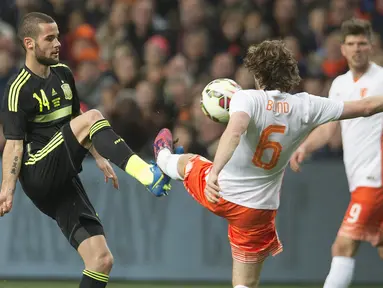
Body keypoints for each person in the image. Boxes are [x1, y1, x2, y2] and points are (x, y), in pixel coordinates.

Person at [153, 39, 383, 288]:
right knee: (245, 284)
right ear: (289, 73)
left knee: (190, 162)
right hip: (259, 210)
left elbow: (234, 131)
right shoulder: (307, 105)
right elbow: (367, 106)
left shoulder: (246, 99)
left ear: (258, 74)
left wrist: (215, 172)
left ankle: (162, 159)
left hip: (223, 192)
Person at [0, 12, 170, 288]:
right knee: (92, 116)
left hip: (63, 176)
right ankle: (146, 174)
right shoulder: (17, 89)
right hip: (38, 170)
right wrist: (7, 189)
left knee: (101, 260)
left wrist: (98, 155)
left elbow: (72, 123)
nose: (58, 43)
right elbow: (14, 143)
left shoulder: (64, 74)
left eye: (58, 36)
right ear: (29, 44)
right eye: (50, 38)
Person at [290, 18, 383, 288]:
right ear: (342, 49)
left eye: (362, 43)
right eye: (351, 44)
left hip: (375, 179)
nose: (357, 49)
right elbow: (331, 128)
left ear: (371, 46)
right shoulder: (340, 85)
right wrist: (306, 146)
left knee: (343, 247)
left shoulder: (381, 79)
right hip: (360, 179)